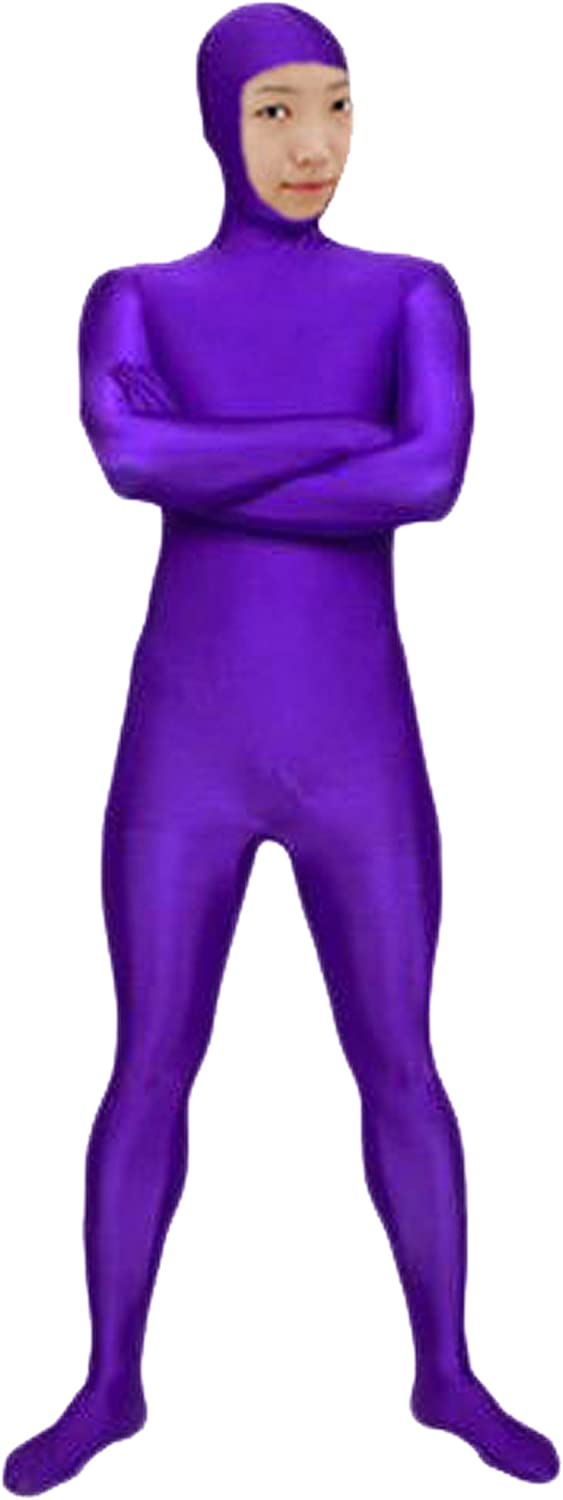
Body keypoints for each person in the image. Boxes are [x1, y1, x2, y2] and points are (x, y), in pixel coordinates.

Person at [3, 4, 559, 1492]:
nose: (313, 145)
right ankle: (110, 1383)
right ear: (214, 122)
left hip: (356, 749)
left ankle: (446, 1373)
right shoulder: (132, 296)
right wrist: (343, 433)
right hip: (185, 751)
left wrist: (219, 453)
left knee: (403, 1063)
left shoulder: (415, 294)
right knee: (146, 1064)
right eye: (273, 112)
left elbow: (430, 478)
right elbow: (130, 457)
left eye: (337, 105)